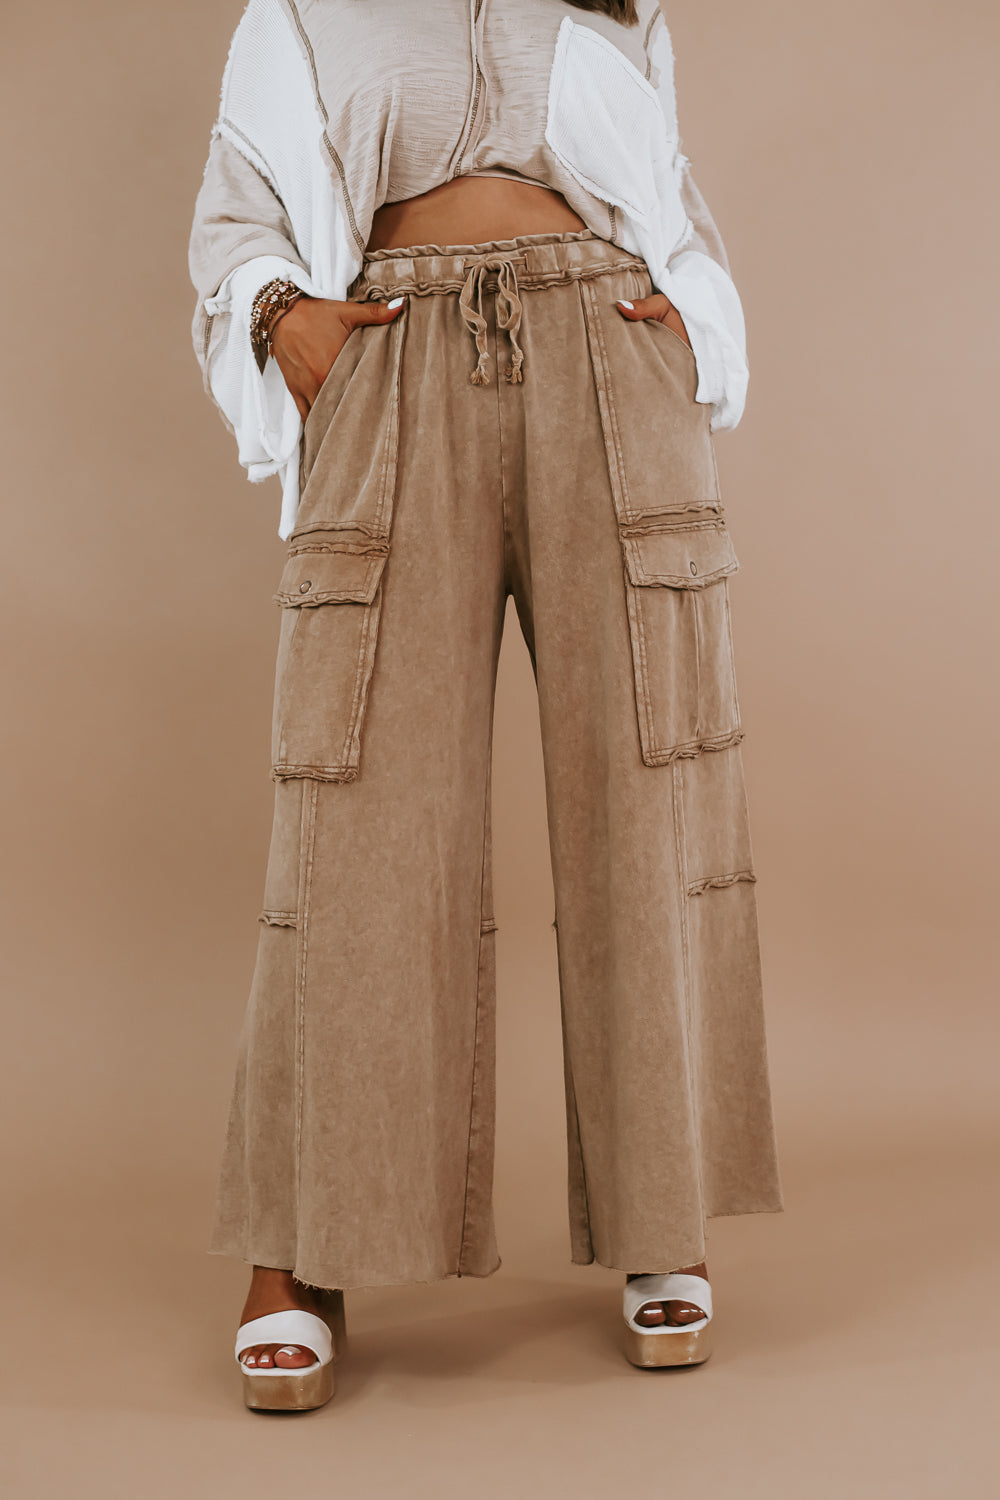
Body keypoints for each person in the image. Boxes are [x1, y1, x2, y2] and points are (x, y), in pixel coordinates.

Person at [188, 0, 784, 1411]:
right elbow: (239, 206)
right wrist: (281, 317)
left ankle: (664, 1215)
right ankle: (300, 1251)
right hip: (391, 361)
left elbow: (665, 191)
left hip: (609, 363)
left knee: (647, 787)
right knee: (354, 826)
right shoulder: (301, 9)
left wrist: (688, 319)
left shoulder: (616, 5)